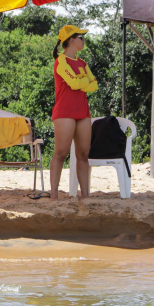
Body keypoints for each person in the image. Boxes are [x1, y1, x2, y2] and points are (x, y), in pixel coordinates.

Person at [49, 25, 98, 200]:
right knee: (61, 153)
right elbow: (76, 84)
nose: (83, 40)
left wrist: (81, 81)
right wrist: (84, 80)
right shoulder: (60, 61)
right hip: (64, 112)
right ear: (71, 40)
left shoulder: (82, 63)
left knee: (84, 155)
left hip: (82, 111)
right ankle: (54, 196)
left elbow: (94, 85)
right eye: (81, 37)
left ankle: (86, 197)